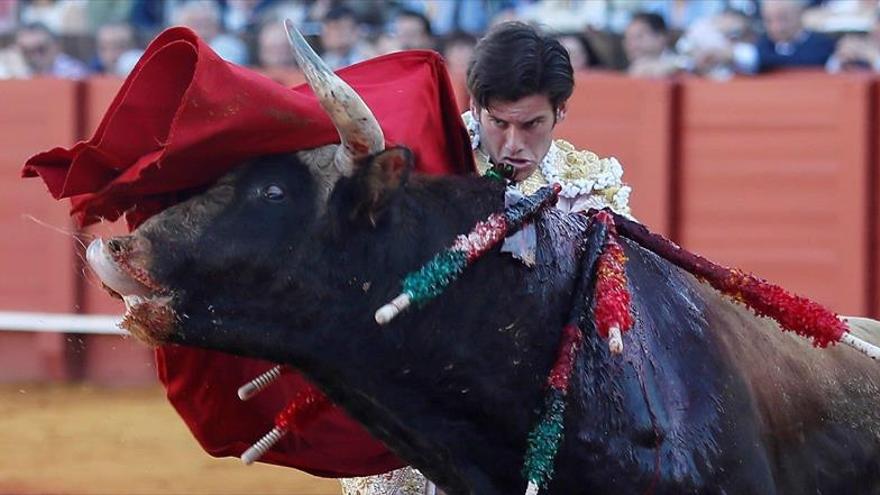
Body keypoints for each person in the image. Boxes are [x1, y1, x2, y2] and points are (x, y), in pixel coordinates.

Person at [339, 22, 633, 494]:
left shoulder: (592, 189)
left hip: (537, 418)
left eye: (532, 124)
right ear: (475, 107)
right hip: (423, 411)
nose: (514, 144)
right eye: (499, 123)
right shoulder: (425, 165)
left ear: (561, 111)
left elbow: (609, 319)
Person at [14, 22, 89, 79]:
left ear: (55, 46)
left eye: (40, 49)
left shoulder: (71, 71)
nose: (35, 57)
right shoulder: (16, 69)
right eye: (27, 51)